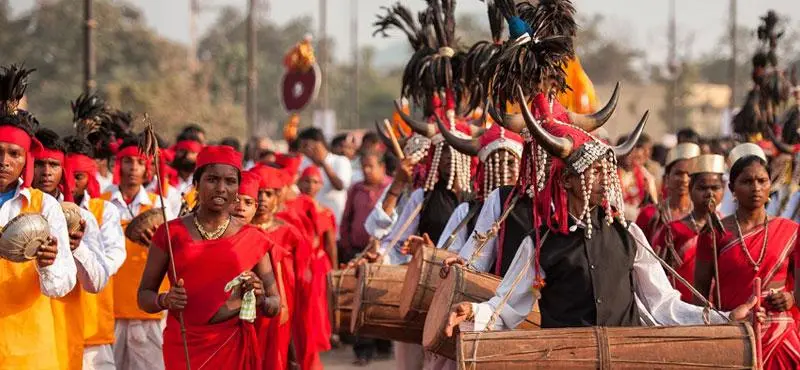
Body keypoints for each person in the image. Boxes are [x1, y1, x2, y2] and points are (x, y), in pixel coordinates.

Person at [444, 89, 761, 338]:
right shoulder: (540, 242)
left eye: (603, 172)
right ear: (566, 180)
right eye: (590, 172)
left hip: (624, 359)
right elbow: (506, 306)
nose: (601, 180)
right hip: (566, 361)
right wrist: (474, 311)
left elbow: (663, 304)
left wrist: (720, 317)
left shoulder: (629, 235)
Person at [138, 145, 281, 370]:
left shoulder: (252, 238)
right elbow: (144, 295)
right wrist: (165, 300)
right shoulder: (170, 233)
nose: (222, 188)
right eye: (212, 179)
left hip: (231, 346)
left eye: (231, 182)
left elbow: (275, 305)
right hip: (183, 345)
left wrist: (261, 298)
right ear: (196, 184)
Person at [695, 143, 800, 369]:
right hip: (734, 335)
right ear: (732, 188)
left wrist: (791, 298)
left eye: (762, 181)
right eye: (747, 181)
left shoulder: (791, 231)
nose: (756, 188)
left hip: (781, 338)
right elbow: (699, 297)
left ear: (770, 184)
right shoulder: (714, 233)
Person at [0, 65, 75, 370]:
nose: (4, 161)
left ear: (26, 159)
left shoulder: (44, 206)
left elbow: (63, 285)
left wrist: (49, 263)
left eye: (14, 154)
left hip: (28, 347)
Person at [32, 128, 110, 370]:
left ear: (62, 170)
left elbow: (97, 283)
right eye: (40, 164)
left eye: (54, 165)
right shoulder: (18, 211)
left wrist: (76, 249)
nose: (46, 172)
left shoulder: (81, 217)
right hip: (23, 331)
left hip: (65, 331)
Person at [100, 138, 173, 370]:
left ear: (147, 169)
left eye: (139, 162)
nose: (133, 168)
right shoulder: (100, 204)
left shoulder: (159, 205)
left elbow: (175, 251)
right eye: (127, 161)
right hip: (110, 306)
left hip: (149, 308)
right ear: (117, 165)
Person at [62, 134, 126, 370]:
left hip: (93, 320)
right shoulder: (46, 207)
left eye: (78, 177)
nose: (71, 184)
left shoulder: (103, 211)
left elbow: (113, 259)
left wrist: (82, 258)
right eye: (67, 176)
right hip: (57, 322)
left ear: (88, 177)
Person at [250, 165, 316, 370]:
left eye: (268, 194)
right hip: (247, 299)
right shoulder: (239, 231)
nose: (262, 199)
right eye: (257, 194)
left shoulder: (289, 232)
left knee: (277, 350)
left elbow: (304, 272)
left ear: (277, 198)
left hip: (283, 300)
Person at [651, 154, 725, 302]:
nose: (709, 193)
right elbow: (657, 274)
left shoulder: (728, 229)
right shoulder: (672, 230)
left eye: (715, 188)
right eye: (702, 188)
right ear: (690, 189)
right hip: (681, 307)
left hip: (720, 308)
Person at [636, 143, 700, 242]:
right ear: (666, 179)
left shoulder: (704, 217)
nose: (684, 179)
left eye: (689, 174)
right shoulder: (649, 215)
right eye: (678, 173)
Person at [339, 151, 392, 263]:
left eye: (370, 166)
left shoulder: (392, 188)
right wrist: (347, 246)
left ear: (382, 167)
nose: (366, 170)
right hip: (356, 251)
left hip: (384, 253)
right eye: (363, 166)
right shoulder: (356, 189)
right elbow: (346, 218)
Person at [297, 127, 352, 225]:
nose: (302, 150)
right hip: (309, 222)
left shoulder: (340, 161)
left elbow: (340, 186)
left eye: (305, 146)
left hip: (335, 220)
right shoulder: (303, 163)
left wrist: (323, 162)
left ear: (318, 144)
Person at [618, 134, 659, 220]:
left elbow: (653, 205)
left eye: (632, 151)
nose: (629, 155)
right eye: (626, 151)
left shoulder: (646, 177)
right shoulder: (609, 173)